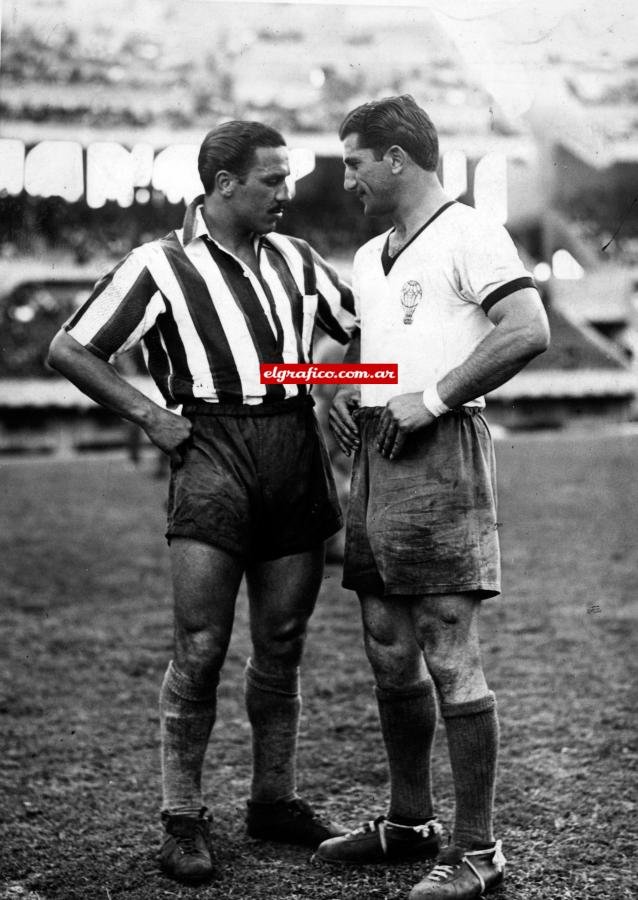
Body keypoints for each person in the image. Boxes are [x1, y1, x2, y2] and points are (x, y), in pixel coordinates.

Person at [47, 120, 357, 887]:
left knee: (282, 637)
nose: (287, 194)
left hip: (291, 447)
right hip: (209, 446)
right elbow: (69, 348)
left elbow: (351, 328)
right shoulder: (157, 265)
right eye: (272, 181)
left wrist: (329, 390)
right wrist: (150, 415)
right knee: (200, 644)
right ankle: (181, 816)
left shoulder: (298, 257)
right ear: (224, 186)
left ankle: (273, 800)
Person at [317, 95, 550, 900]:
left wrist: (440, 396)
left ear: (396, 158)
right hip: (377, 455)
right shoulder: (370, 254)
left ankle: (479, 850)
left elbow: (526, 327)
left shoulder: (470, 231)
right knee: (387, 644)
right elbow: (387, 355)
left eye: (354, 161)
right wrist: (339, 386)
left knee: (449, 648)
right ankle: (409, 823)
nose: (346, 177)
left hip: (441, 452)